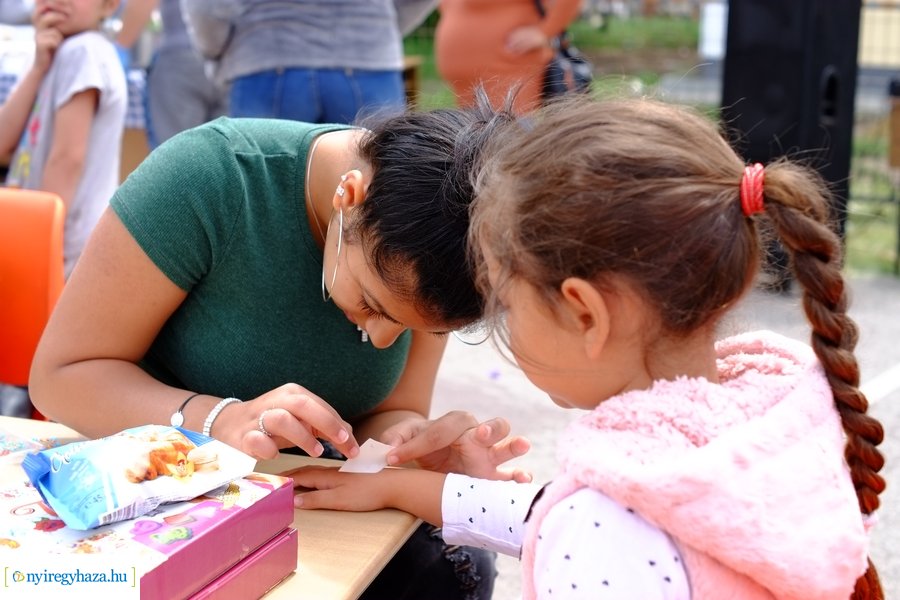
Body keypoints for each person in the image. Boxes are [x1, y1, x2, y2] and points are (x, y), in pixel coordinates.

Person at [291, 96, 887, 599]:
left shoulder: (609, 526)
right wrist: (397, 487)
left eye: (507, 299)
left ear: (584, 313)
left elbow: (585, 521)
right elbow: (548, 512)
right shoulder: (768, 407)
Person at [29, 89, 532, 599]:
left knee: (454, 566)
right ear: (349, 198)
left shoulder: (448, 244)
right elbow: (62, 376)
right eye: (374, 305)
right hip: (145, 503)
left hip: (301, 513)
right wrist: (219, 420)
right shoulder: (213, 178)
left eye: (415, 328)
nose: (382, 342)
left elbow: (389, 410)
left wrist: (412, 450)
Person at [0, 0, 126, 278]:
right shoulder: (53, 52)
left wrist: (39, 242)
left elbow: (67, 159)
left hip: (63, 247)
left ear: (108, 6)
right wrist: (37, 68)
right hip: (48, 238)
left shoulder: (84, 52)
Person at [179, 0, 437, 123]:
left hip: (267, 57)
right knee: (379, 195)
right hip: (369, 60)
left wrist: (214, 48)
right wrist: (378, 29)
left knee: (265, 199)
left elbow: (205, 7)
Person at [435, 0, 583, 114]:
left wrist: (544, 32)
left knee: (507, 142)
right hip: (465, 82)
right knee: (475, 145)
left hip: (507, 72)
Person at [115, 0, 227, 148]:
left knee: (174, 156)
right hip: (231, 60)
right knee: (226, 155)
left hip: (180, 59)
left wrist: (120, 47)